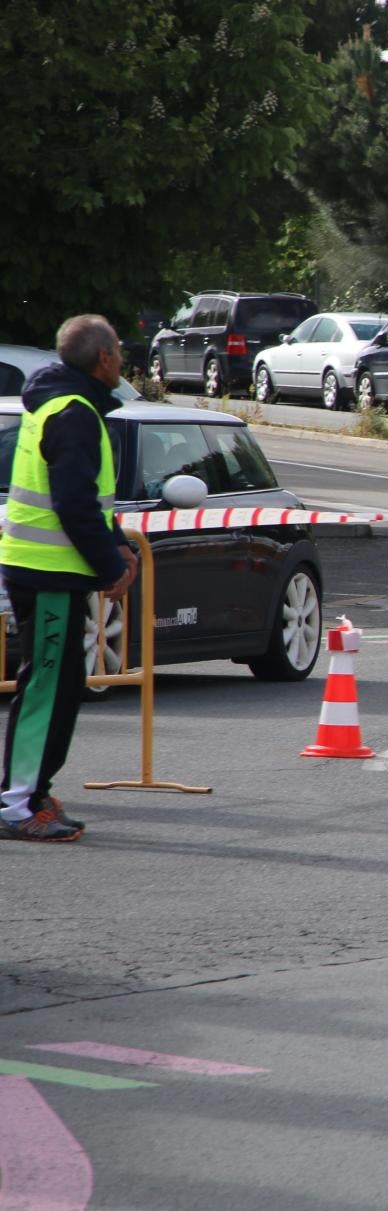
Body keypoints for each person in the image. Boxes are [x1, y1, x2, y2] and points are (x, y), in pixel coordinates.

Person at [1, 316, 138, 843]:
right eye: (119, 351)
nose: (122, 359)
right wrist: (110, 566)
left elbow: (91, 500)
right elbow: (74, 504)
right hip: (49, 571)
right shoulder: (74, 413)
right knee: (46, 688)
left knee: (61, 686)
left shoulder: (63, 404)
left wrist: (117, 540)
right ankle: (16, 803)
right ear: (103, 359)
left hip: (50, 568)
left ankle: (32, 792)